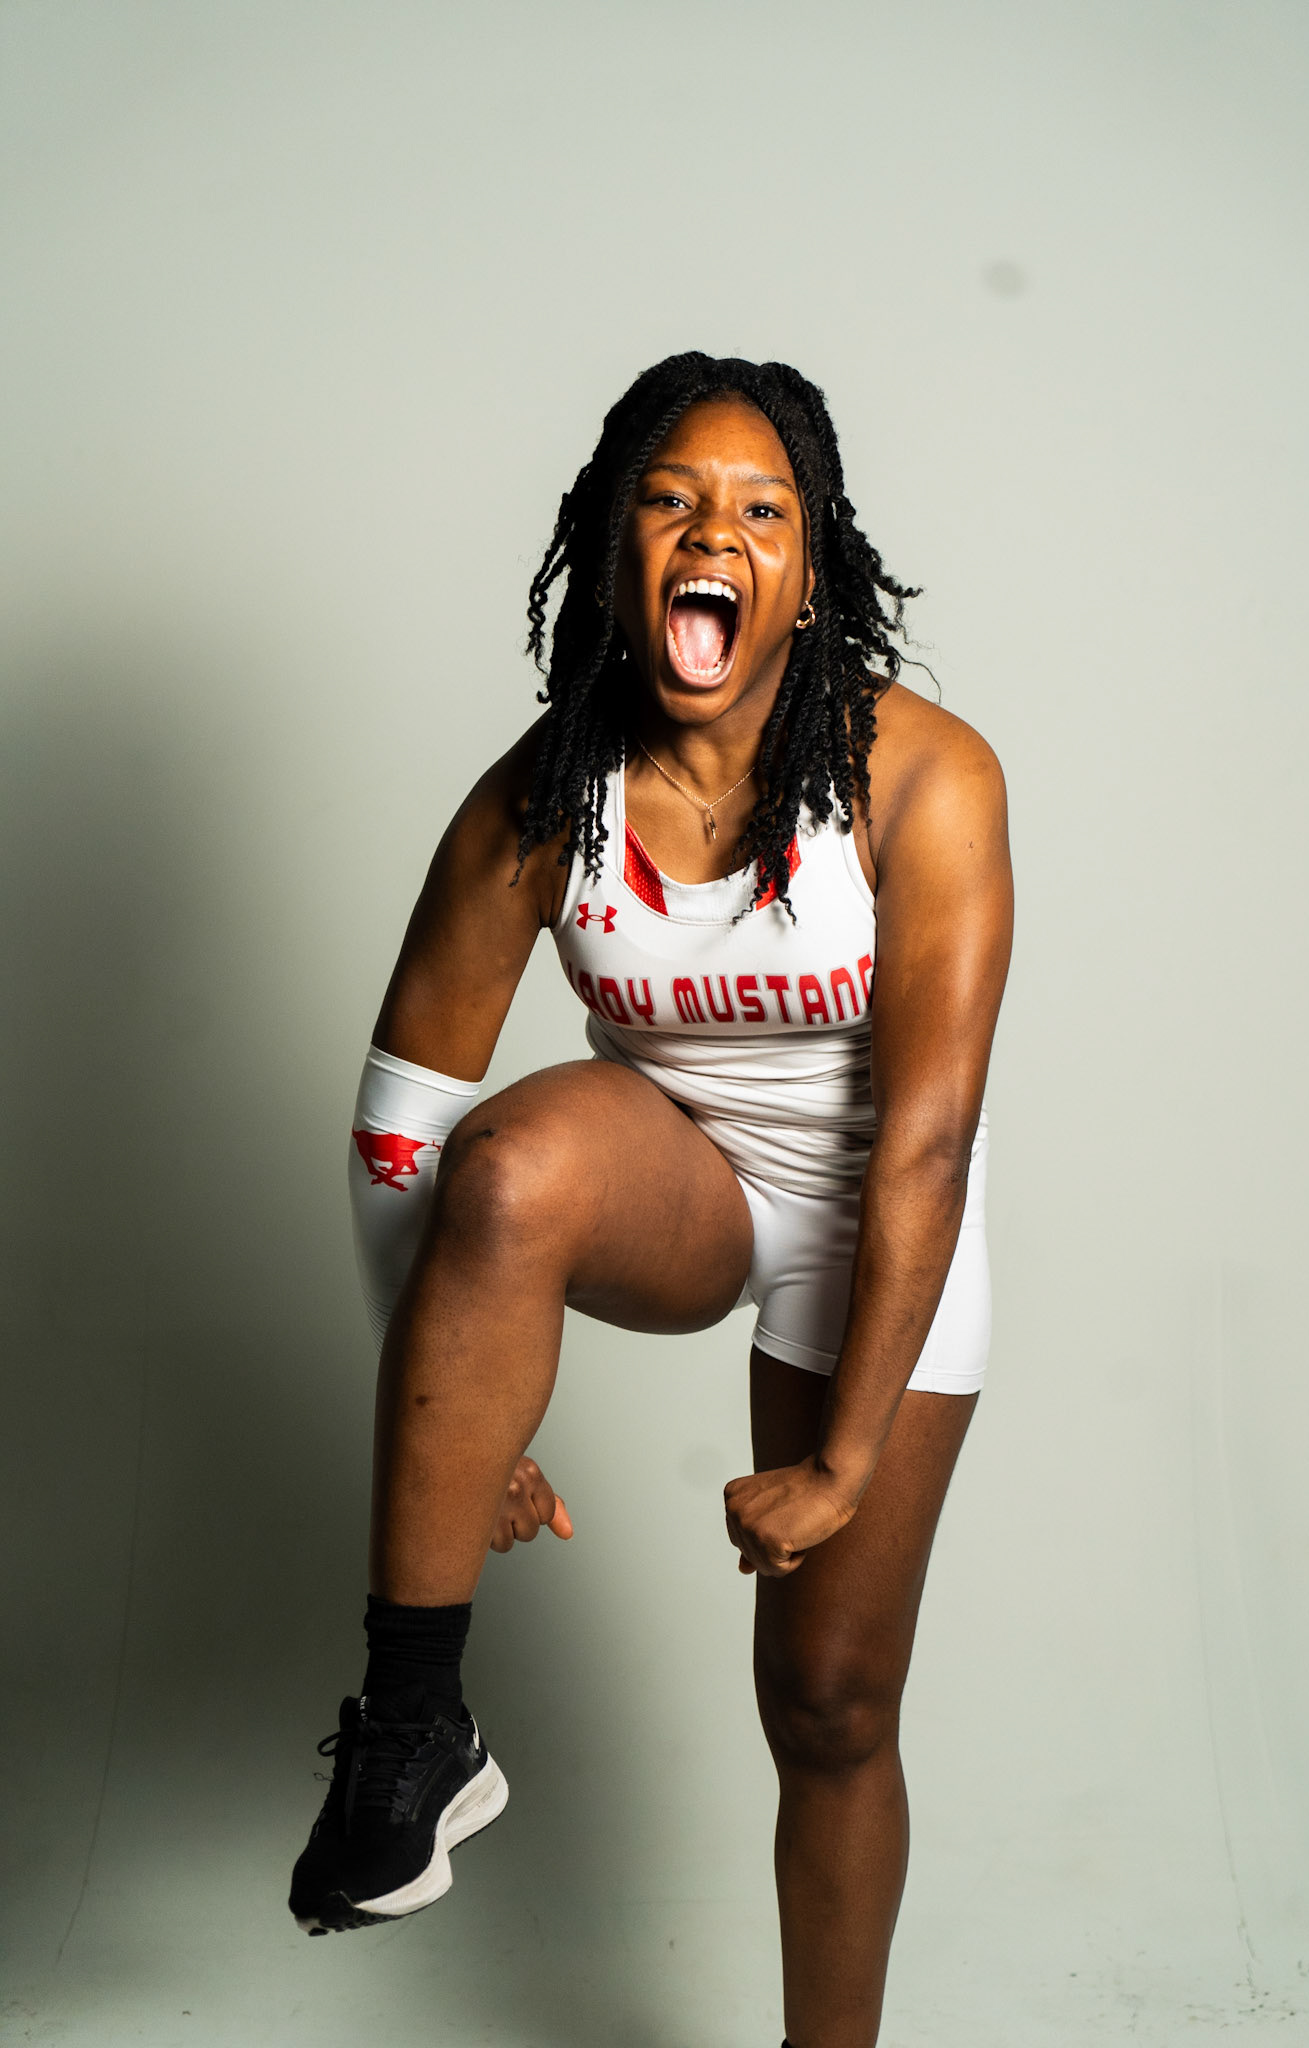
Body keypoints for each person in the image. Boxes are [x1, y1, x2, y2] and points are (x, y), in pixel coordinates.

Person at [288, 351, 1013, 2048]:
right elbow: (402, 1125)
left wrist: (842, 1464)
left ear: (805, 577)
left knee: (828, 1706)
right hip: (674, 1180)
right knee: (503, 1162)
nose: (713, 532)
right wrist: (452, 1425)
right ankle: (413, 1724)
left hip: (876, 1226)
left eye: (762, 509)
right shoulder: (547, 794)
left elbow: (922, 1148)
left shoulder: (926, 777)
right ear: (618, 545)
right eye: (672, 499)